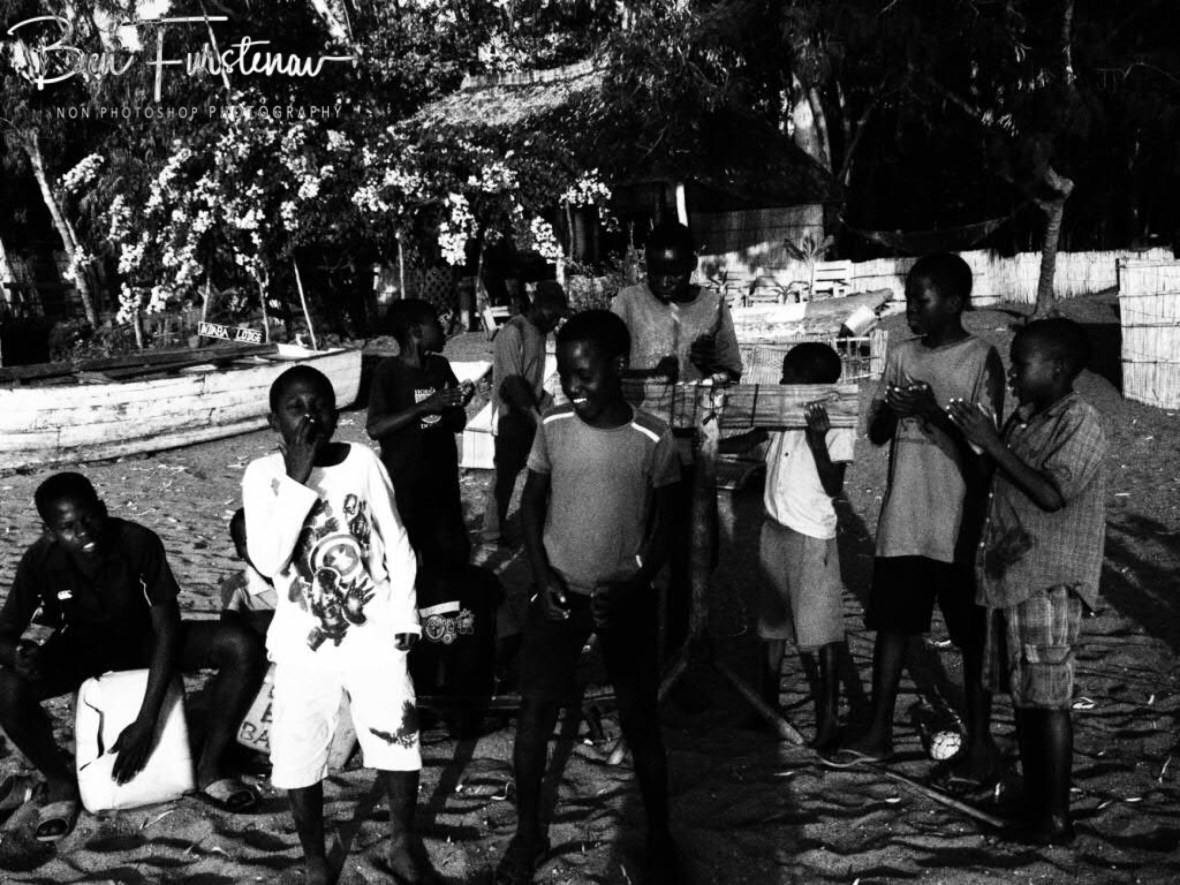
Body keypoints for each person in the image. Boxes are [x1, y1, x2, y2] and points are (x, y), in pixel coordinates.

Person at [493, 310, 681, 885]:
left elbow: (667, 522)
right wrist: (542, 577)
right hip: (559, 592)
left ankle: (660, 837)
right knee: (534, 715)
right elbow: (531, 504)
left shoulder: (653, 436)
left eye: (584, 374)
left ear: (618, 368)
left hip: (625, 598)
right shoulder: (552, 425)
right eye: (564, 374)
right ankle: (529, 833)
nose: (572, 387)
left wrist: (637, 579)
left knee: (640, 719)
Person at [0, 473, 266, 842]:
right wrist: (16, 654)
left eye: (89, 517)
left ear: (103, 509)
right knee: (5, 687)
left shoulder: (138, 541)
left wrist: (145, 722)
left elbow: (167, 630)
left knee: (239, 644)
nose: (84, 532)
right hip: (78, 651)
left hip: (144, 641)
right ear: (49, 531)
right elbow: (6, 630)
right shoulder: (39, 560)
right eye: (68, 527)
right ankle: (61, 784)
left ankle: (212, 767)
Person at [243, 365, 428, 885]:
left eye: (320, 405)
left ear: (337, 411)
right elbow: (269, 560)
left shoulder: (363, 461)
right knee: (301, 749)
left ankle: (402, 844)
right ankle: (314, 859)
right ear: (273, 419)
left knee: (398, 736)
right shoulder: (263, 475)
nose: (309, 417)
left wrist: (405, 612)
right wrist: (297, 479)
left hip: (373, 629)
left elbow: (395, 540)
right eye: (295, 408)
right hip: (304, 642)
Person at [826, 253, 1005, 787]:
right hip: (904, 517)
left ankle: (980, 742)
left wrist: (930, 412)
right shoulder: (901, 356)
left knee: (971, 639)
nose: (910, 312)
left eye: (920, 301)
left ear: (953, 303)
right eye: (908, 300)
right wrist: (888, 413)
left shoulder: (980, 360)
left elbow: (986, 458)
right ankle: (878, 732)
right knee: (892, 627)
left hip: (956, 525)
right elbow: (879, 435)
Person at [948, 318, 1106, 845]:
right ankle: (1037, 801)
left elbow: (1050, 494)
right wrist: (974, 437)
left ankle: (1057, 817)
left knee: (1049, 700)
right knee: (1024, 695)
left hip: (1049, 580)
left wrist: (991, 443)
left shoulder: (1080, 421)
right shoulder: (1025, 418)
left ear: (1057, 368)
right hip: (1012, 576)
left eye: (1021, 364)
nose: (1012, 374)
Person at [610, 220, 742, 662]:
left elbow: (731, 373)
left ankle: (681, 653)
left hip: (690, 450)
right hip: (639, 446)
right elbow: (602, 370)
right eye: (656, 272)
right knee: (639, 550)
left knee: (691, 553)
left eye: (675, 272)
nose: (665, 282)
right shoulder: (626, 304)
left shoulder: (712, 306)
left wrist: (712, 367)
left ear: (693, 266)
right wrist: (649, 375)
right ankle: (636, 655)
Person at [720, 343, 854, 750]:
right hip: (775, 527)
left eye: (789, 374)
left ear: (811, 381)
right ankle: (767, 706)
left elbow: (834, 486)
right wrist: (707, 446)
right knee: (772, 626)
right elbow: (750, 440)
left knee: (823, 631)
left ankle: (828, 720)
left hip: (812, 534)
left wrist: (816, 439)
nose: (781, 381)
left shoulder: (837, 421)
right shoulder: (782, 412)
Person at [368, 298, 475, 569]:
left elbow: (458, 422)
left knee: (450, 556)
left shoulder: (439, 367)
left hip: (442, 481)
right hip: (406, 485)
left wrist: (456, 404)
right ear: (416, 331)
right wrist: (426, 406)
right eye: (436, 324)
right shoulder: (387, 372)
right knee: (410, 557)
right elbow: (375, 427)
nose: (443, 329)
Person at [480, 280, 568, 548]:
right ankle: (490, 536)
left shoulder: (540, 332)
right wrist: (535, 416)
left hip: (531, 413)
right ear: (539, 307)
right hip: (511, 416)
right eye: (553, 315)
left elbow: (534, 381)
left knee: (543, 473)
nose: (555, 323)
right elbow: (513, 382)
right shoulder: (513, 331)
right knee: (505, 476)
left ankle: (541, 528)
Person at [218, 507, 277, 637]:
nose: (257, 550)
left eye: (263, 539)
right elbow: (228, 631)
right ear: (238, 551)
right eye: (246, 543)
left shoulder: (302, 577)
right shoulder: (237, 587)